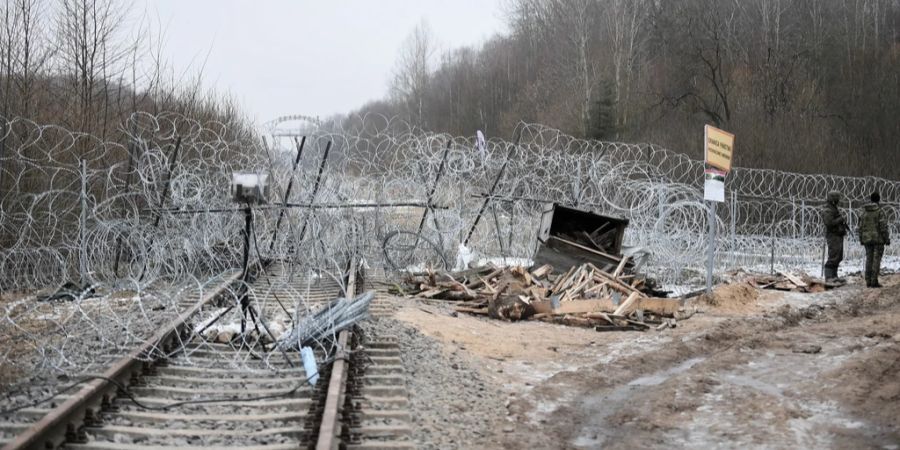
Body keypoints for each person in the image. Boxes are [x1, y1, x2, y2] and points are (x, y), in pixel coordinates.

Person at [859, 191, 891, 288]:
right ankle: (874, 281)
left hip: (867, 239)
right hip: (878, 239)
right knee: (876, 260)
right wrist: (886, 239)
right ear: (878, 200)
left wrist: (861, 239)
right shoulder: (880, 212)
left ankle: (868, 281)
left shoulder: (864, 212)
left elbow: (860, 227)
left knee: (869, 259)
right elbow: (883, 227)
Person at [822, 191, 848, 281]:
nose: (838, 200)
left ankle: (834, 276)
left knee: (838, 256)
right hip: (833, 235)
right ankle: (829, 277)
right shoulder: (828, 210)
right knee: (833, 256)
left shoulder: (833, 208)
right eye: (836, 198)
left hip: (838, 234)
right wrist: (840, 219)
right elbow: (829, 223)